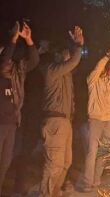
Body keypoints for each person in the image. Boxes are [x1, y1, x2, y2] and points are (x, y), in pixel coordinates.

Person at [77, 39, 110, 192]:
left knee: (104, 152)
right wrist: (108, 54)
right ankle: (87, 182)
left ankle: (96, 179)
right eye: (102, 66)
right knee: (92, 152)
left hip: (108, 120)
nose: (103, 68)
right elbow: (98, 67)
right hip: (96, 120)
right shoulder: (92, 80)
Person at [40, 26, 83, 197]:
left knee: (66, 162)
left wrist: (74, 46)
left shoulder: (66, 74)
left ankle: (54, 192)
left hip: (65, 122)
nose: (69, 58)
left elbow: (73, 64)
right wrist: (79, 45)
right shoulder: (52, 71)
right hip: (55, 122)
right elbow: (73, 62)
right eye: (65, 55)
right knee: (54, 165)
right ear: (58, 56)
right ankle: (45, 194)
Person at [0, 22, 39, 196]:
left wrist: (29, 39)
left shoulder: (16, 74)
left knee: (5, 163)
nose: (7, 60)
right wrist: (13, 39)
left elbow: (34, 61)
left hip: (12, 124)